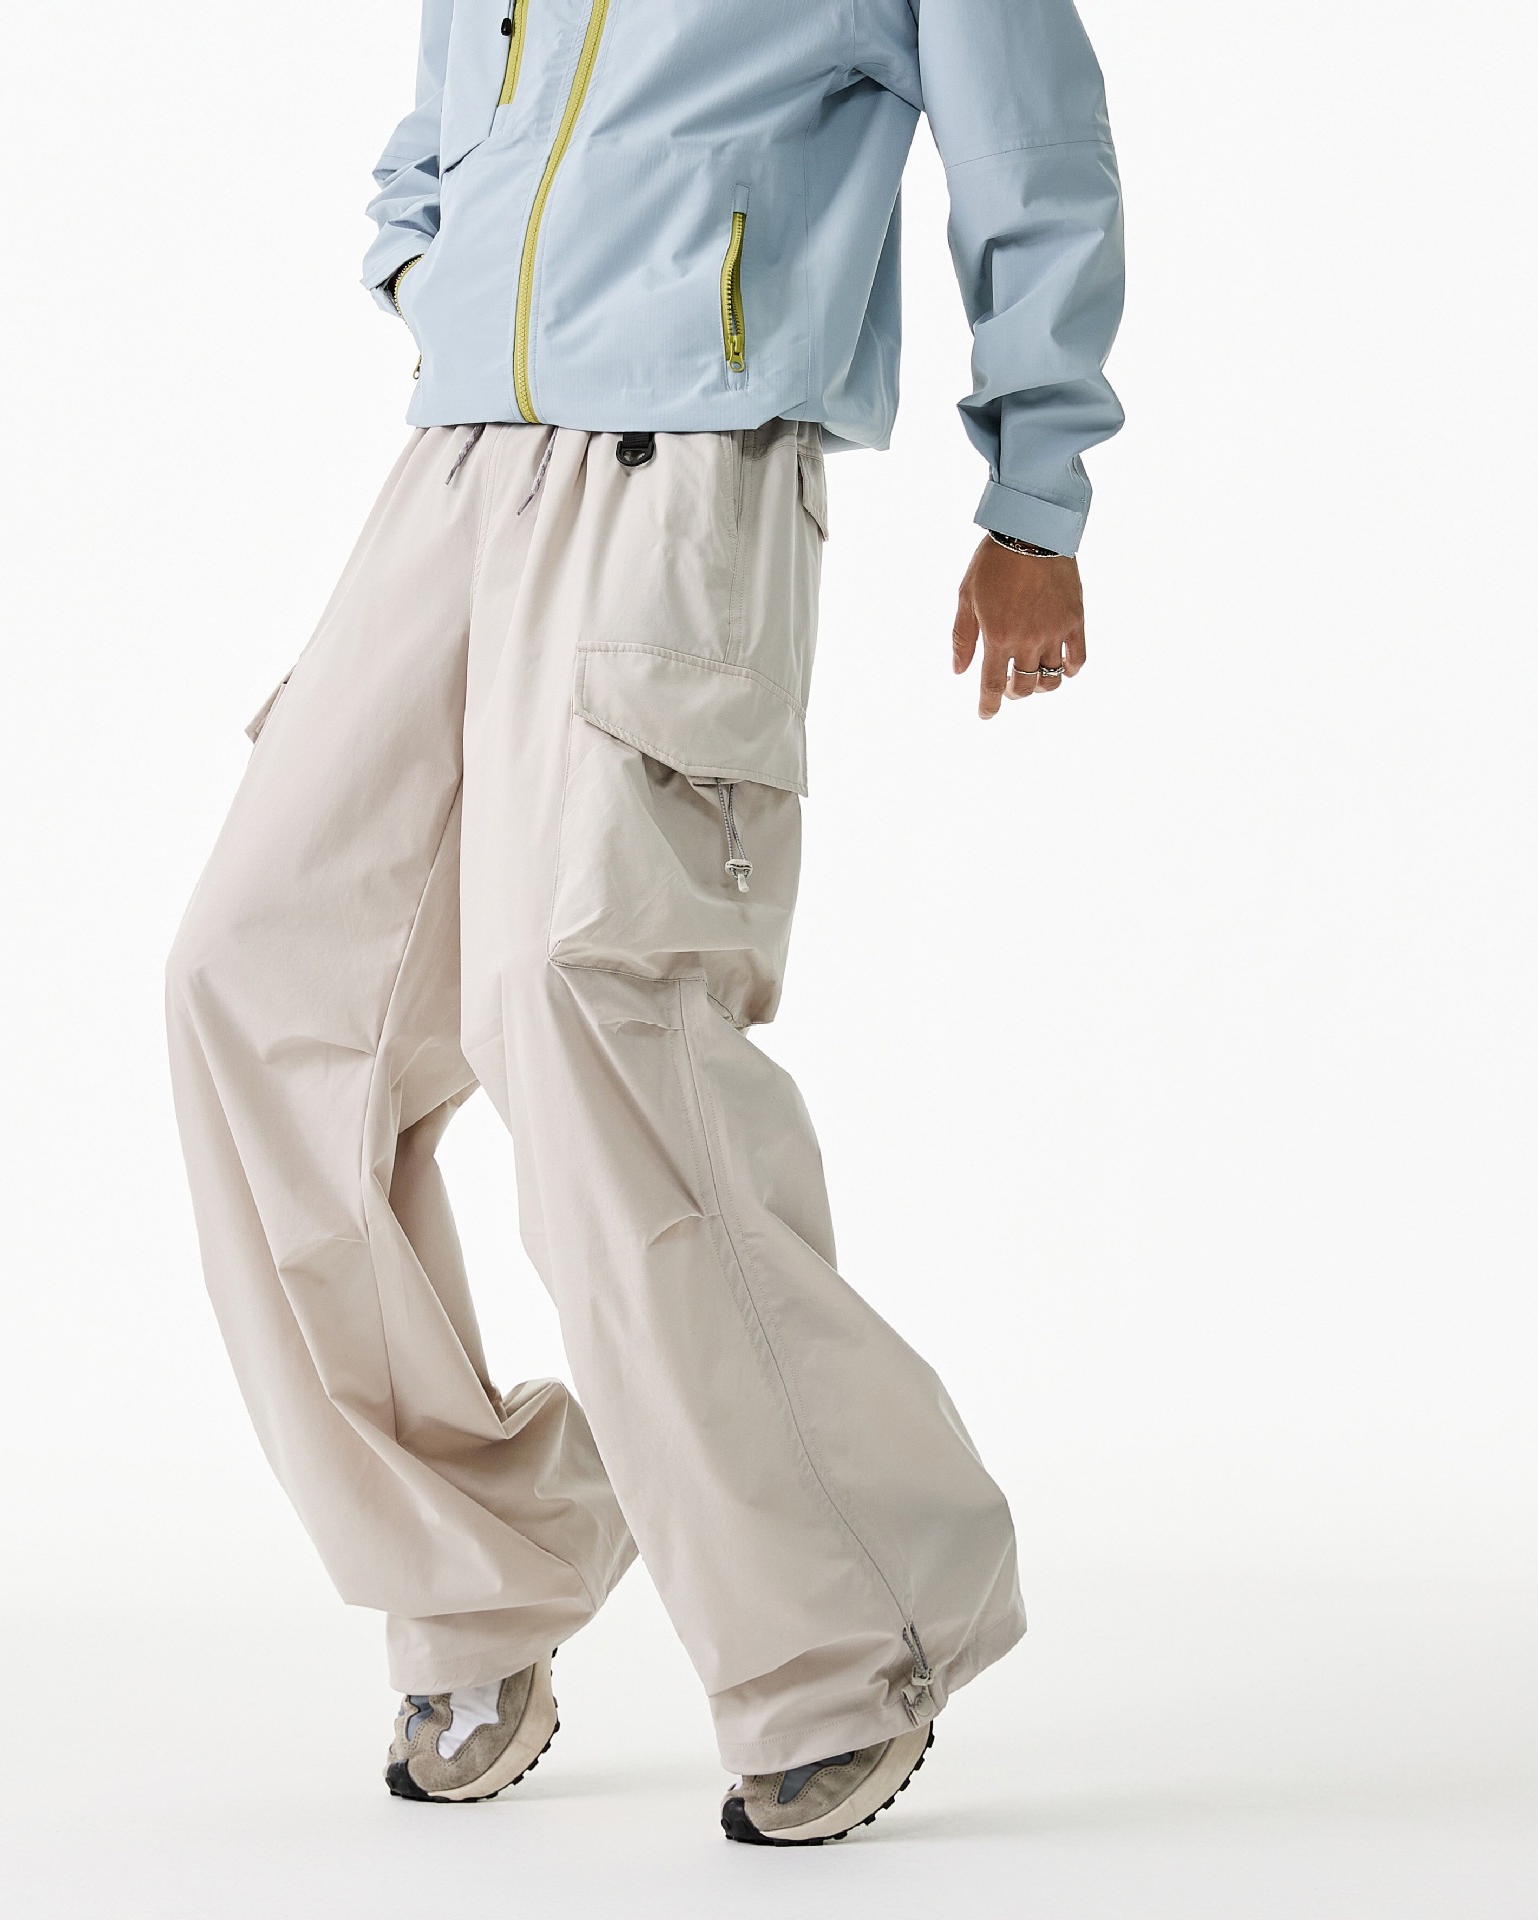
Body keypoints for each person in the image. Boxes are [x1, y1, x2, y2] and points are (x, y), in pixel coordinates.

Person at [166, 0, 1122, 1847]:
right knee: (254, 976)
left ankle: (855, 1624)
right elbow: (438, 121)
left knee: (585, 1000)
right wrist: (435, 274)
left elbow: (1037, 151)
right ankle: (479, 1555)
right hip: (461, 460)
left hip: (685, 467)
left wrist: (1036, 496)